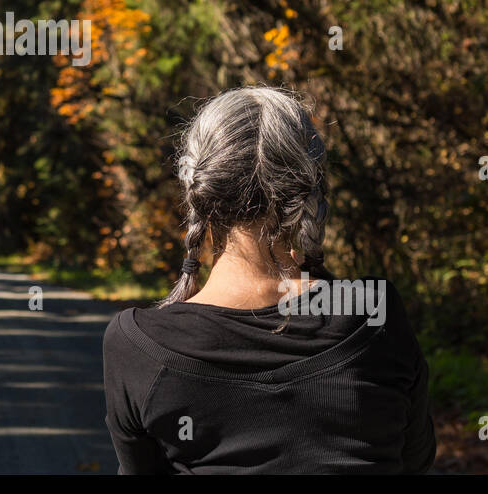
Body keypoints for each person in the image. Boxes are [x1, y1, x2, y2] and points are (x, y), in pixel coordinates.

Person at [101, 85, 437, 473]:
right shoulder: (375, 313)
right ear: (312, 188)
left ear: (196, 189)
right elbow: (414, 462)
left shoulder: (135, 346)